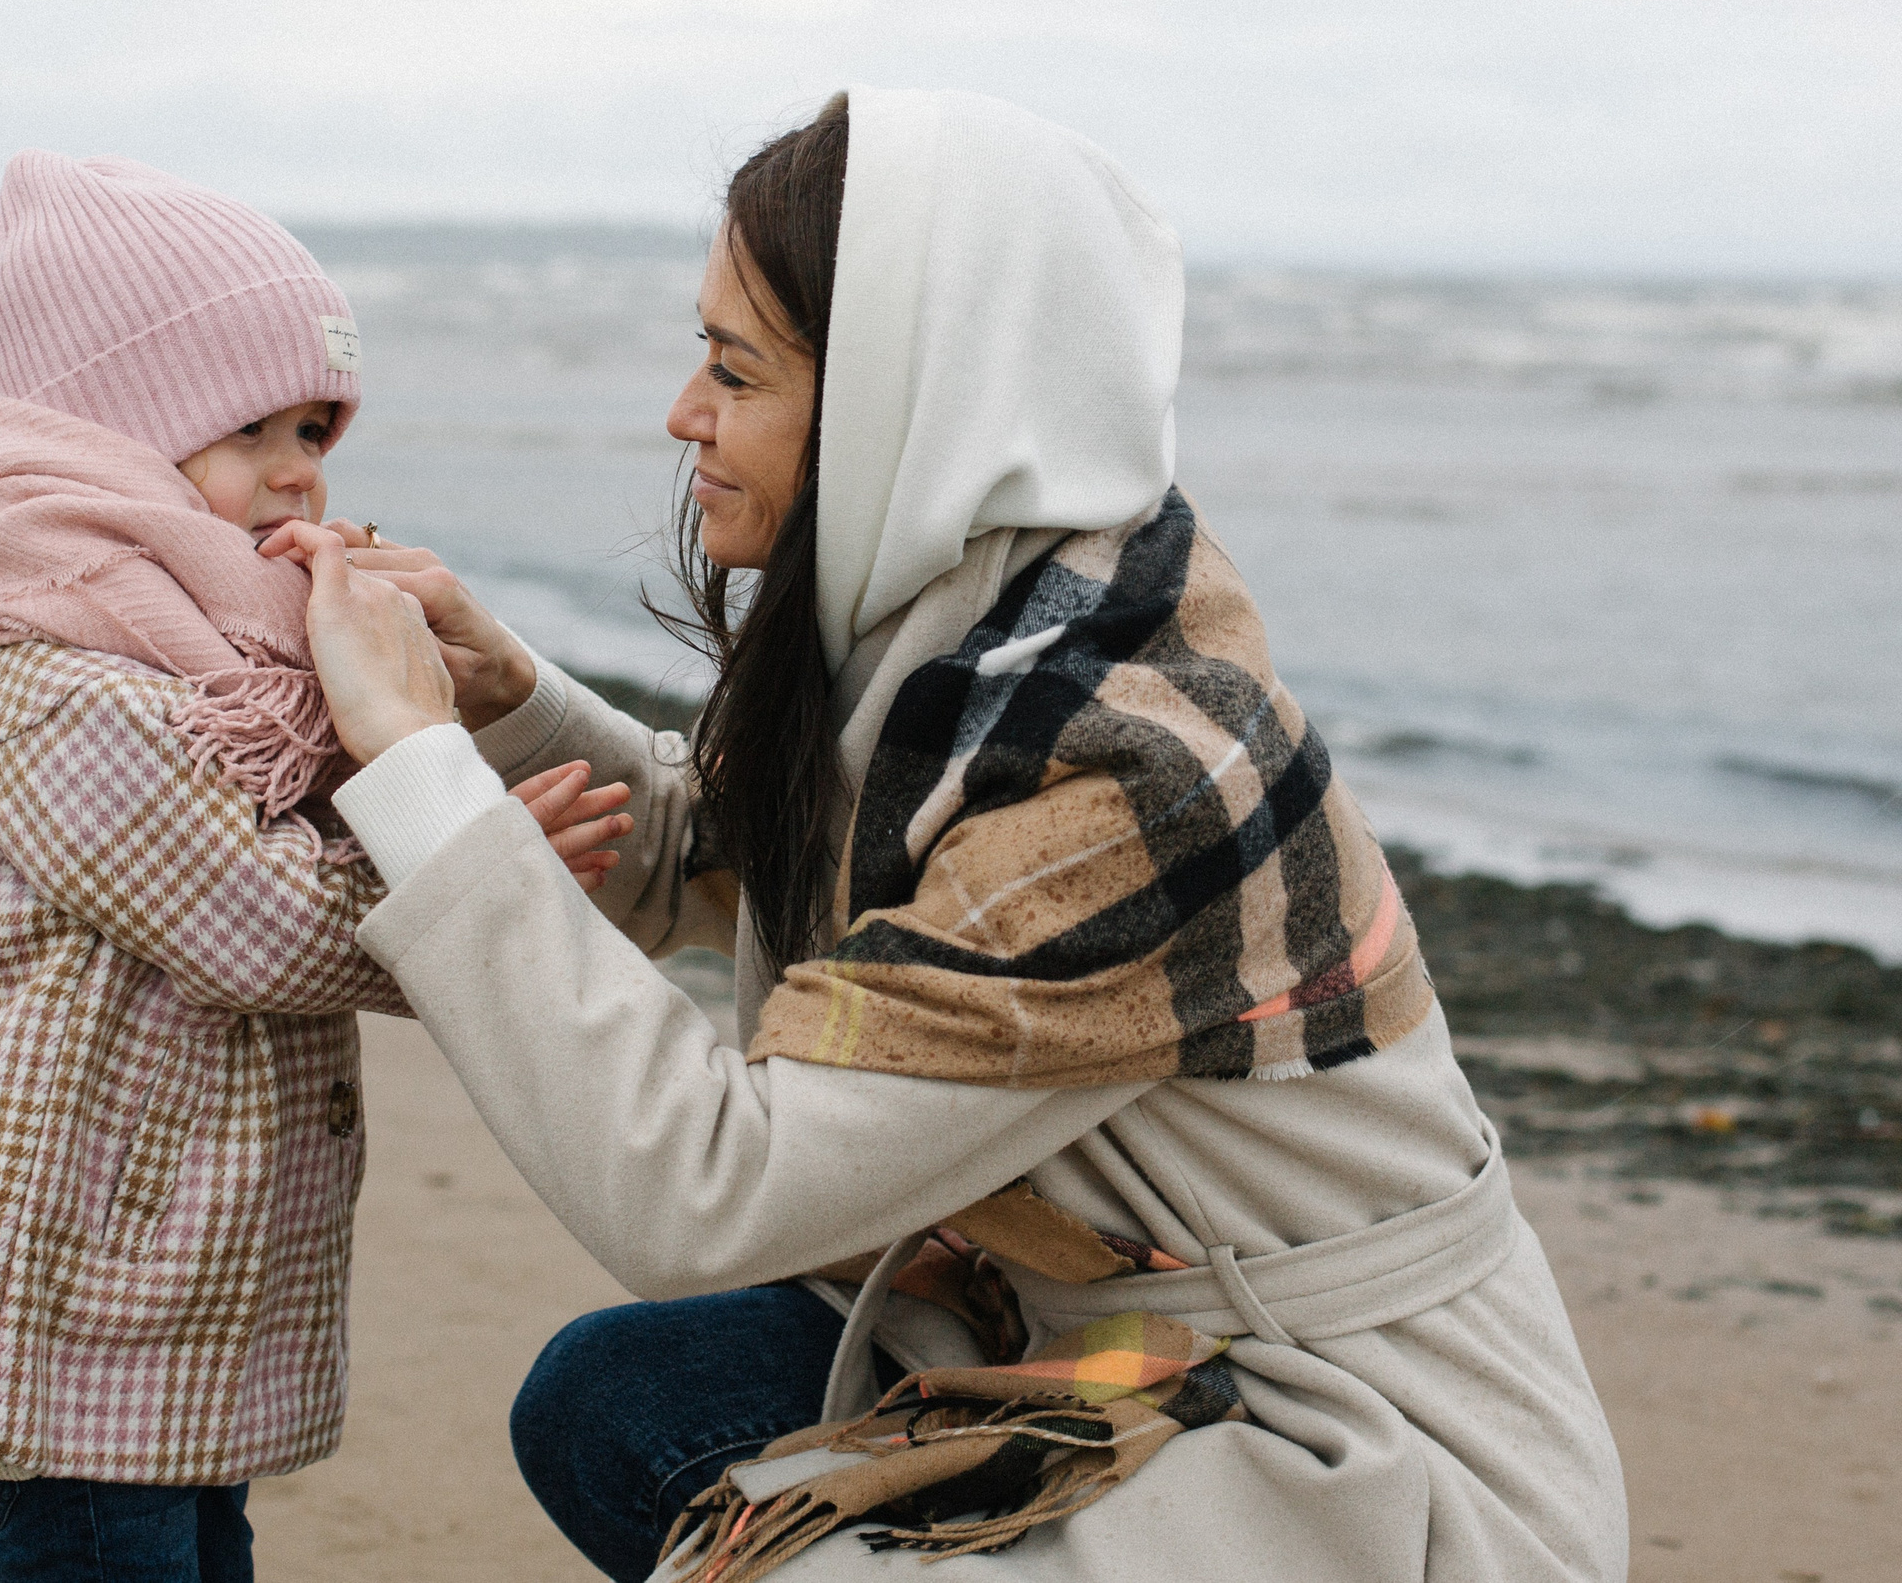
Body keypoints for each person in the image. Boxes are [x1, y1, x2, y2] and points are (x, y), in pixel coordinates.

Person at [265, 90, 1629, 1581]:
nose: (682, 415)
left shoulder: (1121, 762)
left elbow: (706, 1195)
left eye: (735, 368)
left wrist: (413, 766)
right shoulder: (976, 628)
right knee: (620, 1405)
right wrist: (504, 699)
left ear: (907, 405)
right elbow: (735, 866)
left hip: (1357, 1441)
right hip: (1108, 1340)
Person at [0, 150, 616, 1583]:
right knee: (123, 1557)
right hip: (76, 1276)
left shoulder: (218, 655)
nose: (301, 470)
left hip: (175, 1263)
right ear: (111, 433)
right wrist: (480, 870)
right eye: (250, 428)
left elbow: (303, 838)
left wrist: (426, 760)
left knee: (195, 1551)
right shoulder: (60, 681)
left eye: (318, 426)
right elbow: (263, 929)